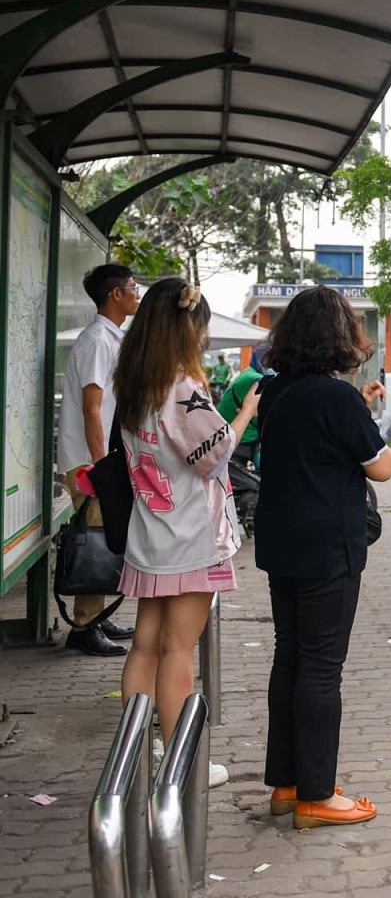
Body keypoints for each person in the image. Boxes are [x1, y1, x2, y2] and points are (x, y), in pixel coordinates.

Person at [253, 286, 391, 830]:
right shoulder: (336, 397)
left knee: (289, 658)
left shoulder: (273, 392)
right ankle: (316, 794)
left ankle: (286, 785)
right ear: (339, 336)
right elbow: (381, 468)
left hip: (280, 541)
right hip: (328, 546)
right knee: (321, 668)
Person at [114, 279, 257, 745]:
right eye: (202, 326)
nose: (205, 336)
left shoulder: (134, 384)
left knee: (144, 644)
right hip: (193, 536)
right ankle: (181, 764)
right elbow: (212, 453)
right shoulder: (182, 386)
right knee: (179, 650)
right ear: (186, 328)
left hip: (150, 532)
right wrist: (246, 412)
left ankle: (136, 752)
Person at [56, 264, 141, 656]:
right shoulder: (97, 340)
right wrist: (100, 464)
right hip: (89, 461)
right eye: (131, 287)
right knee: (93, 538)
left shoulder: (112, 337)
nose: (136, 293)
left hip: (99, 457)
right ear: (115, 295)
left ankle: (97, 615)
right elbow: (92, 407)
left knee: (105, 537)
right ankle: (84, 628)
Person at [217, 341, 268, 465]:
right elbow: (262, 413)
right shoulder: (256, 379)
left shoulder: (248, 372)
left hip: (228, 431)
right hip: (242, 437)